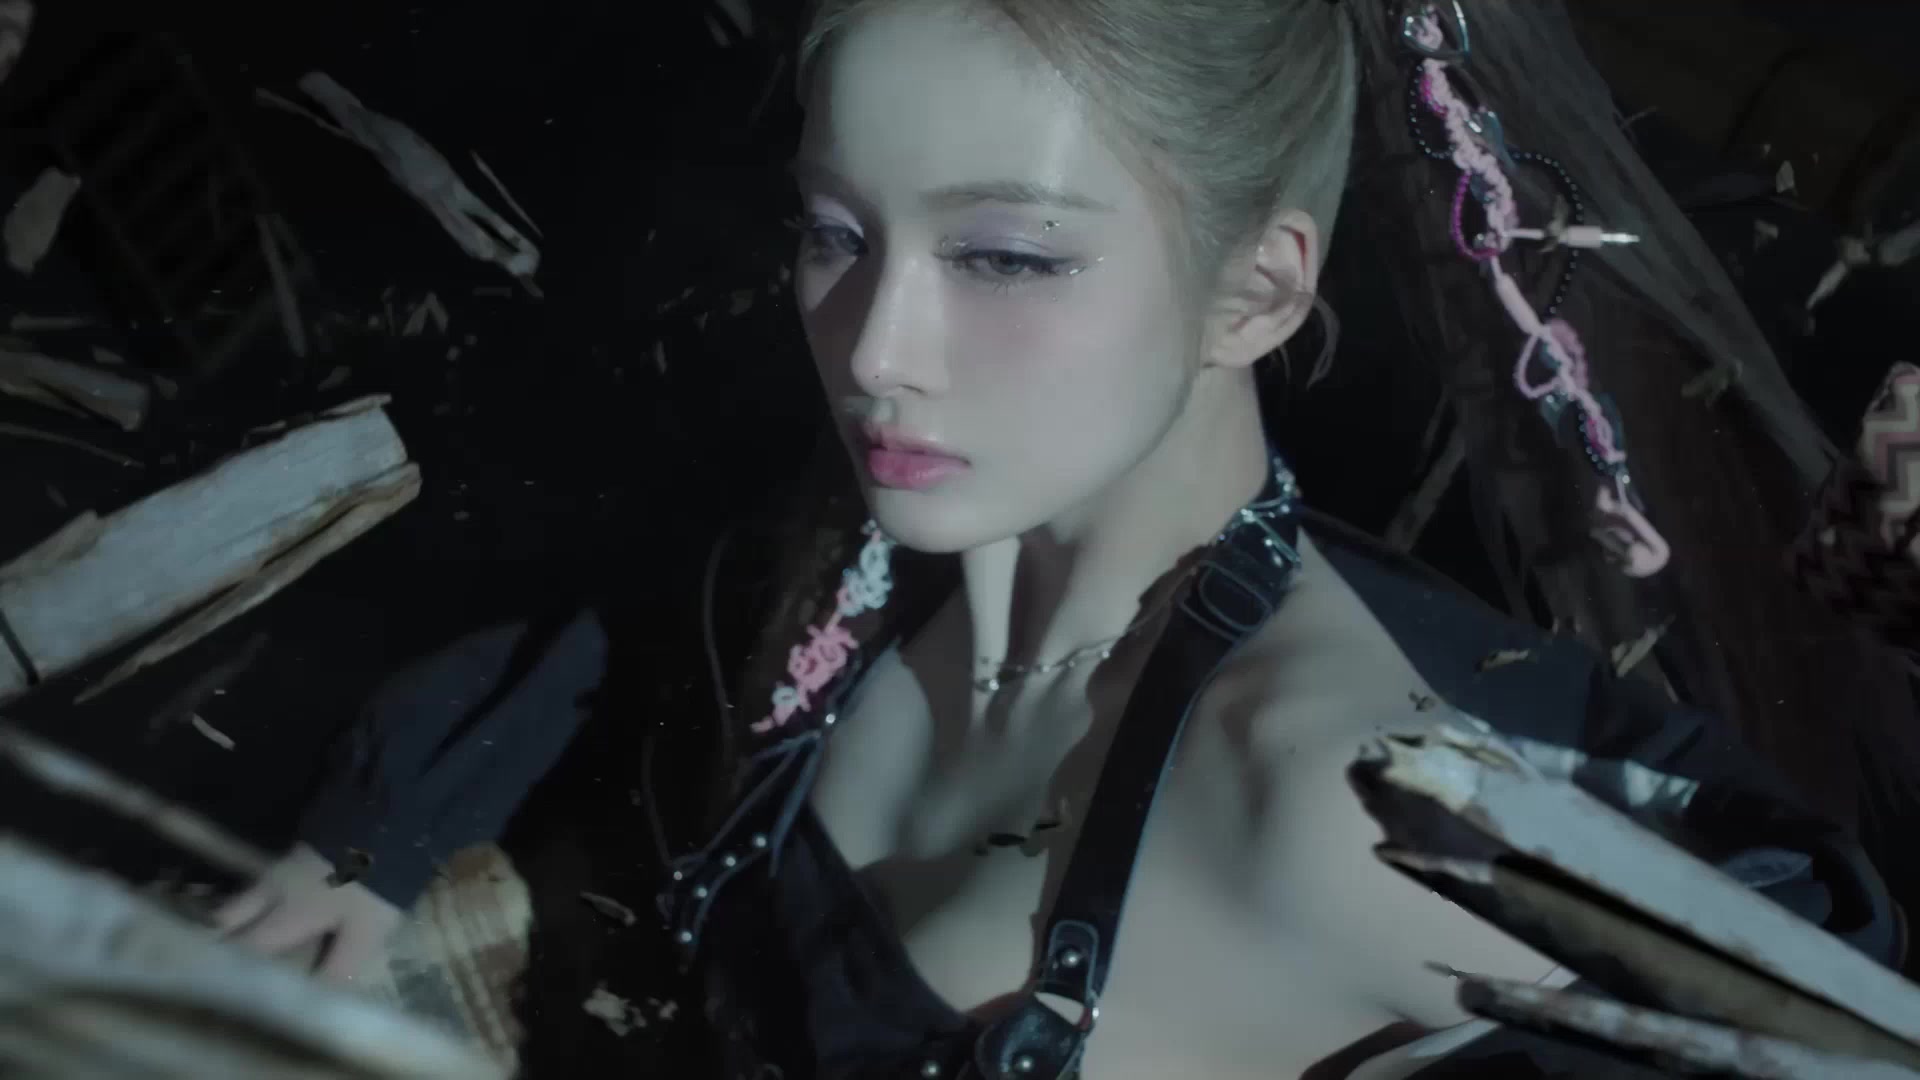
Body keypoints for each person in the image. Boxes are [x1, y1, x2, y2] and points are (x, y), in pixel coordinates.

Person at [218, 1, 1909, 1076]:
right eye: (835, 233)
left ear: (1257, 290)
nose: (876, 350)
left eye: (1009, 257)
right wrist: (385, 825)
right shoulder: (895, 543)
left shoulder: (1340, 806)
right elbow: (660, 630)